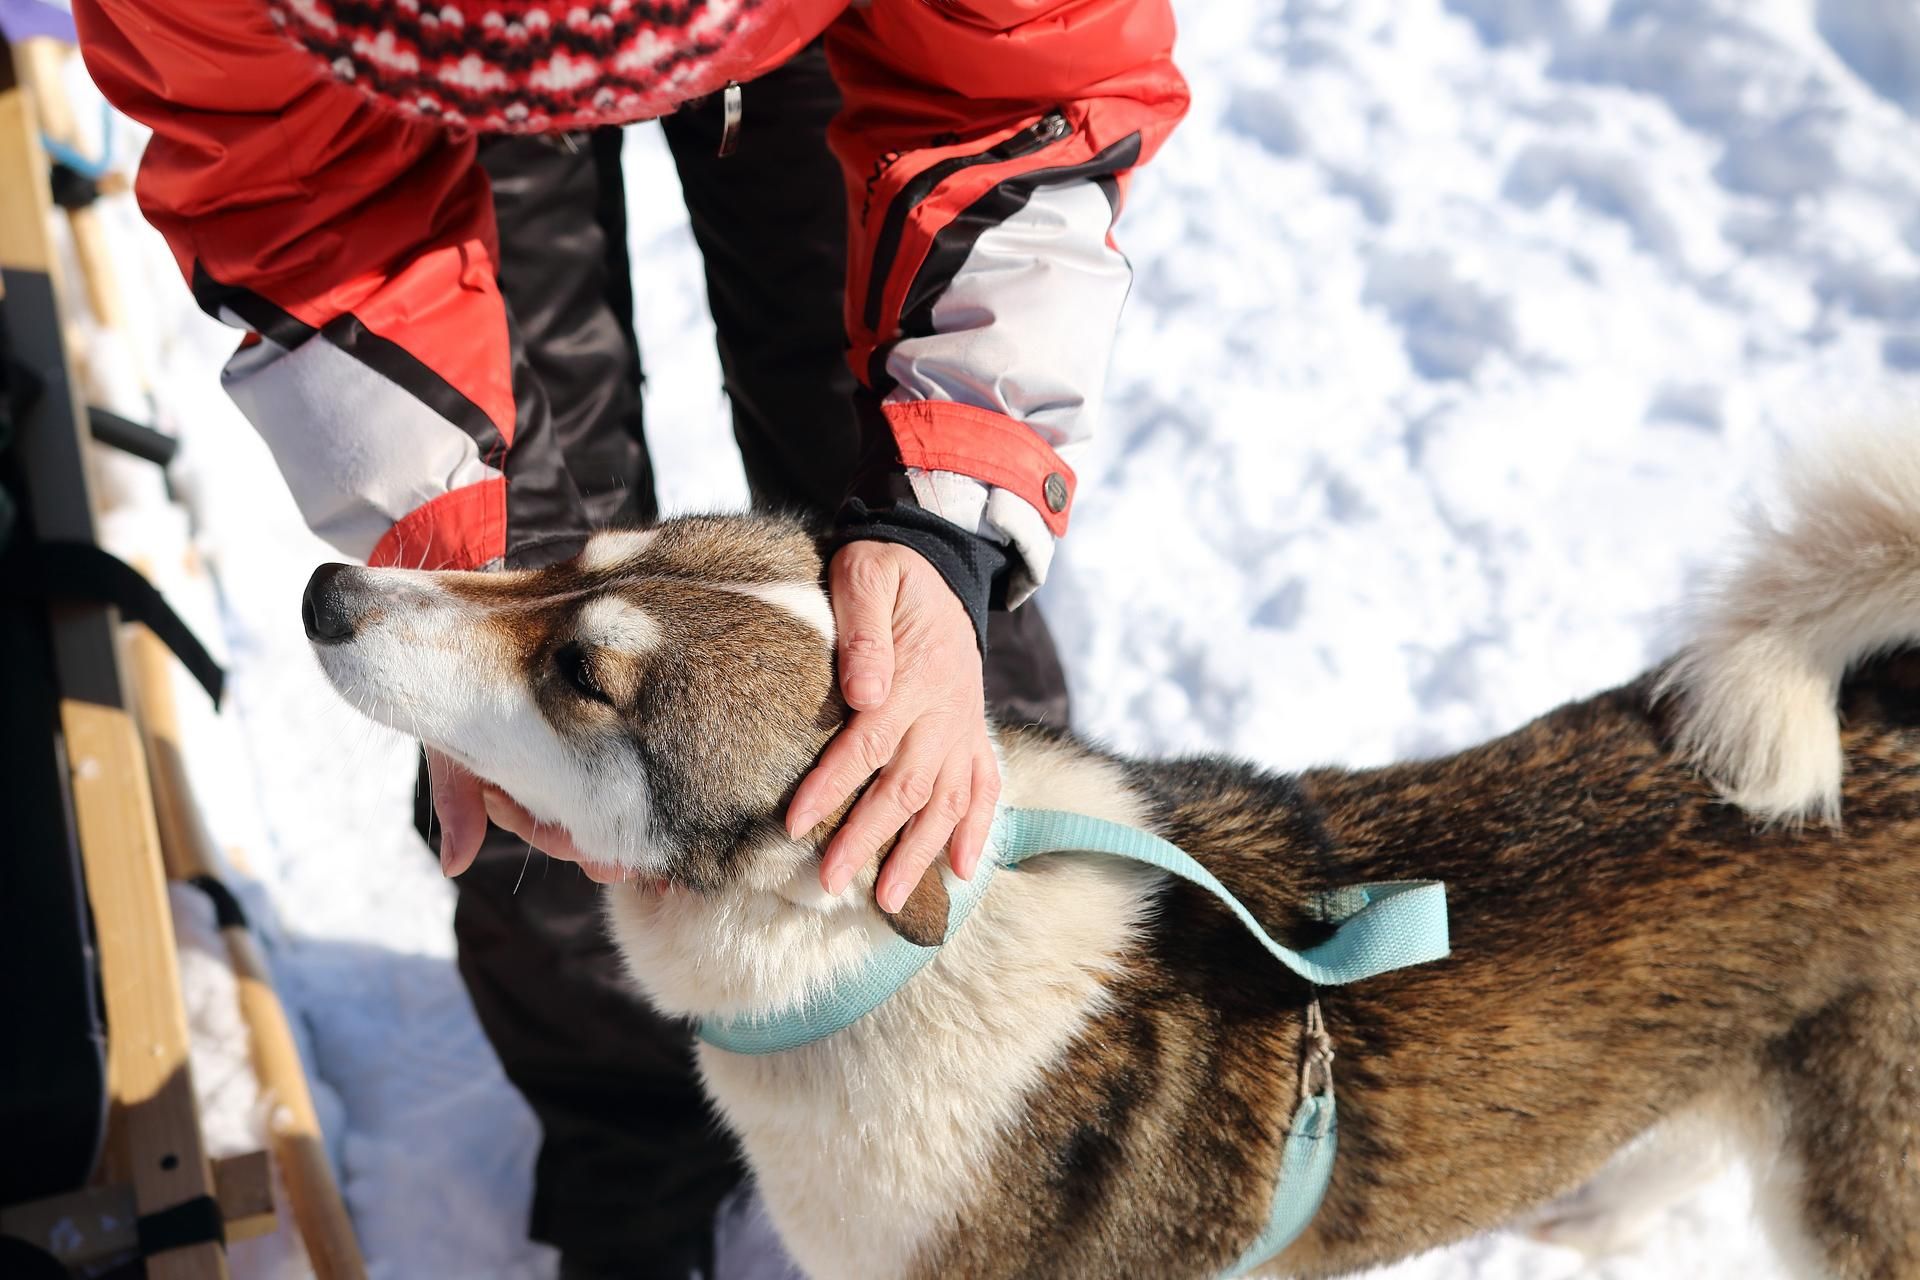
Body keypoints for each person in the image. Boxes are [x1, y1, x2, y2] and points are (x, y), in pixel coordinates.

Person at [73, 1, 1188, 1274]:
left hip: (858, 37)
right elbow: (289, 182)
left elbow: (1021, 97)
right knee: (543, 651)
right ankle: (626, 1126)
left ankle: (1012, 1063)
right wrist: (445, 532)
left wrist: (949, 526)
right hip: (400, 96)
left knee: (898, 610)